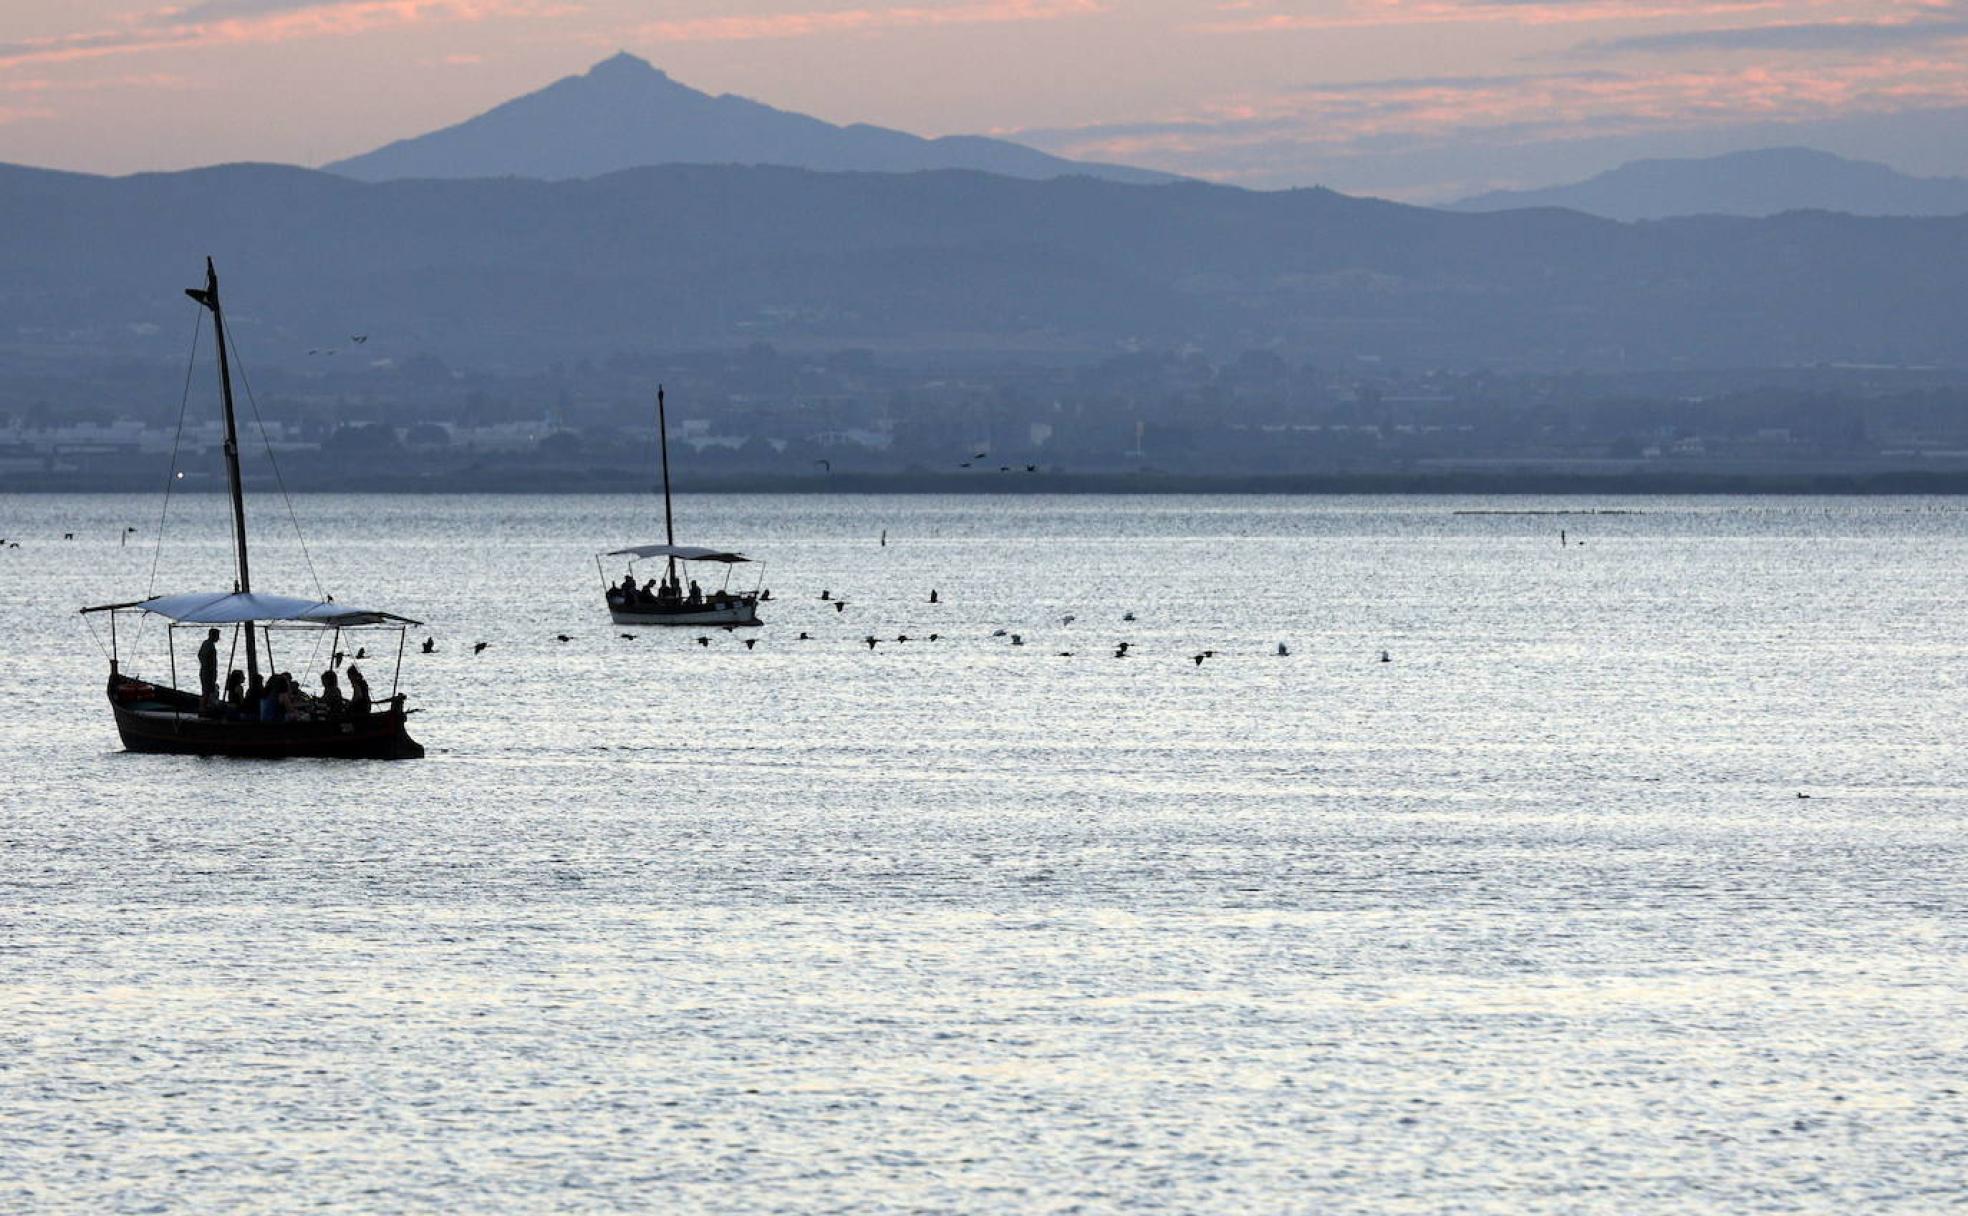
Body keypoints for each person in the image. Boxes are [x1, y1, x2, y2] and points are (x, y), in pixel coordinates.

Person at [197, 628, 221, 711]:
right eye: (217, 636)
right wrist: (208, 667)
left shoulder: (206, 643)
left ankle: (204, 708)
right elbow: (204, 657)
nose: (218, 638)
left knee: (206, 691)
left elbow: (200, 655)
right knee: (207, 692)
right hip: (208, 673)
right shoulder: (209, 645)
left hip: (205, 671)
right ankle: (203, 709)